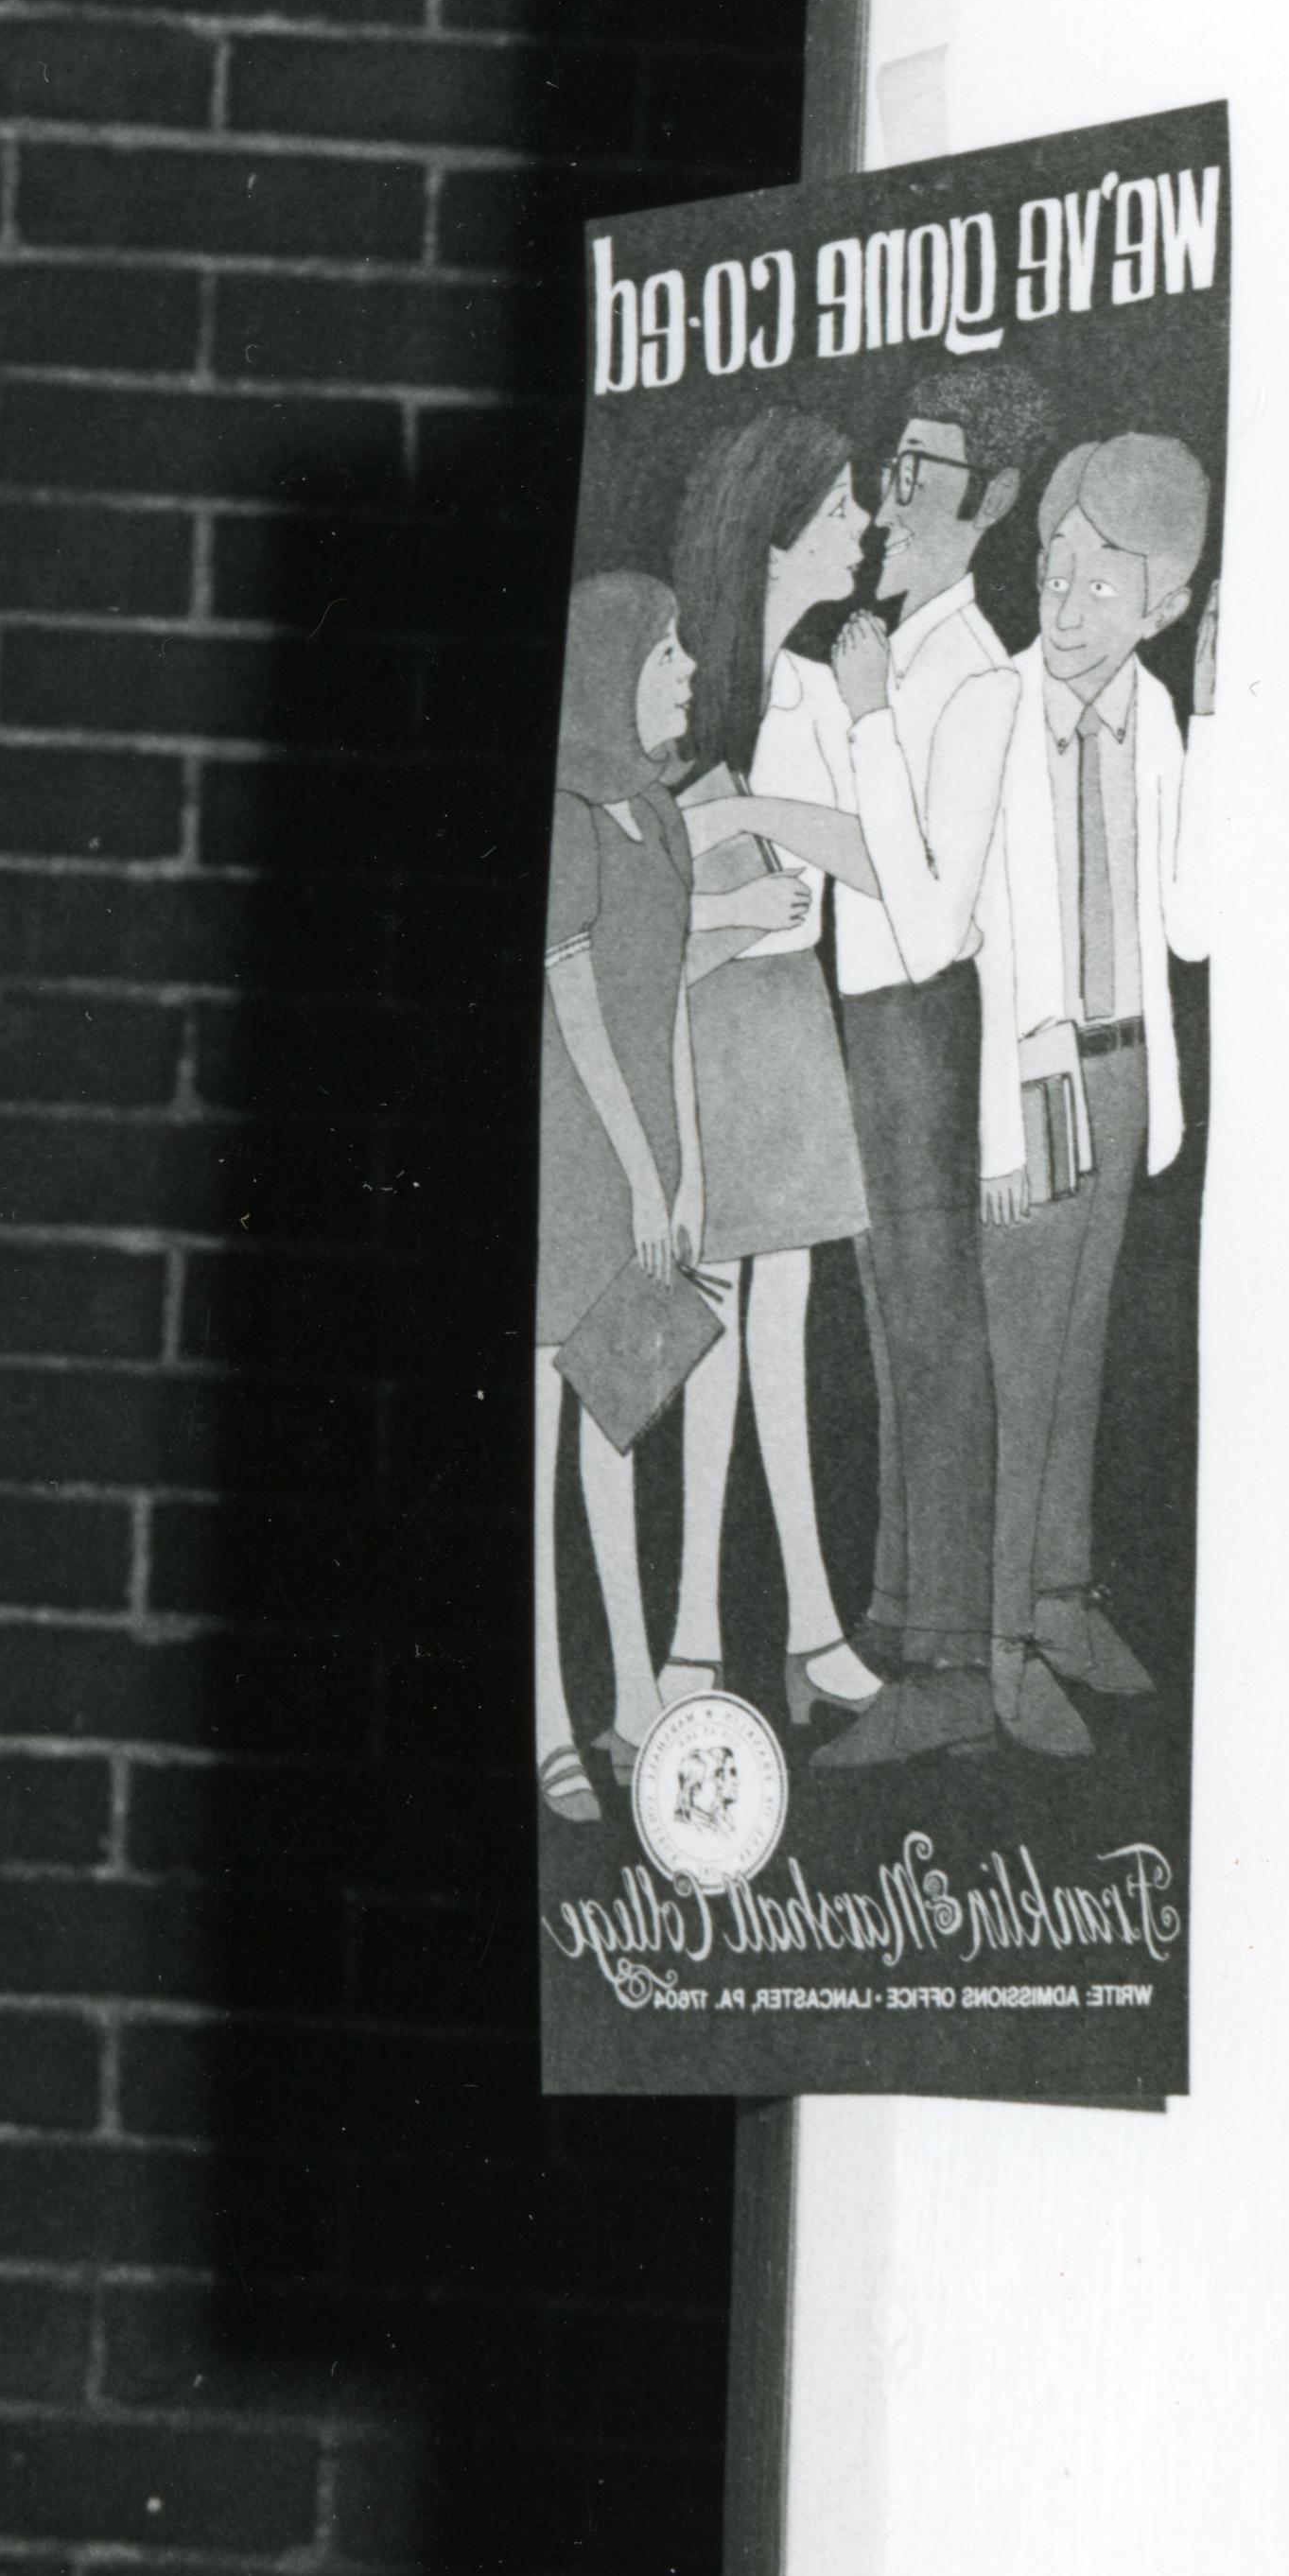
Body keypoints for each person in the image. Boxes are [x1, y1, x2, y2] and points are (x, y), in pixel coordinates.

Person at [811, 356, 1054, 1771]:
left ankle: (952, 1664)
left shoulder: (965, 676)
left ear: (995, 500)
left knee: (936, 1335)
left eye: (926, 476)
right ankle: (908, 1619)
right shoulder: (895, 651)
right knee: (891, 1330)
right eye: (891, 467)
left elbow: (927, 910)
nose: (893, 500)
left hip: (922, 1024)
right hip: (863, 1016)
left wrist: (862, 722)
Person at [978, 434, 1221, 1727]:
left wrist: (1224, 721)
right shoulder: (996, 705)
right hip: (1035, 1077)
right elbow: (979, 932)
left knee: (1079, 1358)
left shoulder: (1162, 718)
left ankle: (1063, 1604)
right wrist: (1005, 1131)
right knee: (1020, 1374)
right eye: (1056, 578)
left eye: (1102, 593)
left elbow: (1191, 926)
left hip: (1127, 1074)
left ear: (1165, 611)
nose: (1068, 614)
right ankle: (1003, 1647)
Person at [658, 409, 893, 1735]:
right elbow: (649, 891)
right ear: (779, 529)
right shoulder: (684, 677)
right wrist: (743, 876)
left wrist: (744, 819)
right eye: (845, 507)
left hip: (788, 1025)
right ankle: (694, 1632)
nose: (860, 528)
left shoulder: (806, 690)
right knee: (705, 1328)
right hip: (706, 1023)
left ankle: (808, 1628)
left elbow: (859, 857)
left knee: (783, 1332)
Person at [532, 571, 706, 1820]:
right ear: (610, 670)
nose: (690, 668)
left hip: (652, 1168)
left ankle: (636, 1697)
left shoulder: (666, 816)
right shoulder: (568, 815)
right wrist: (645, 1172)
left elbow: (675, 1006)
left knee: (618, 1435)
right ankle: (549, 1721)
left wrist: (688, 1160)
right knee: (546, 1446)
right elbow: (579, 1011)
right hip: (578, 1166)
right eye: (667, 650)